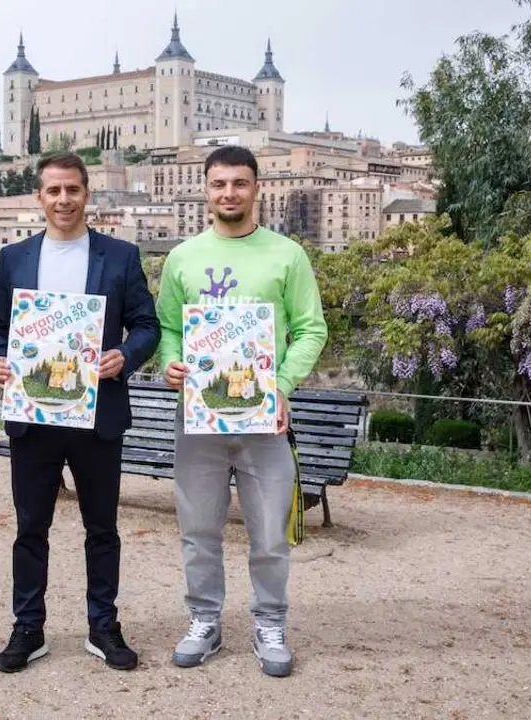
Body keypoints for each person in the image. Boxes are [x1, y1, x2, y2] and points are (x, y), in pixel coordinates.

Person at [0, 152, 161, 673]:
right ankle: (27, 627)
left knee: (101, 528)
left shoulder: (121, 256)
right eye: (53, 191)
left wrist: (126, 356)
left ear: (88, 195)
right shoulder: (14, 258)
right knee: (30, 528)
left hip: (97, 414)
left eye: (72, 190)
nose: (63, 200)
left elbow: (147, 325)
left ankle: (103, 626)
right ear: (39, 197)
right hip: (33, 415)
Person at [154, 144, 327, 677]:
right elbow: (168, 331)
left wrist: (279, 385)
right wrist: (171, 363)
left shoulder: (287, 255)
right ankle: (204, 621)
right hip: (198, 420)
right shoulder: (183, 257)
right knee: (197, 530)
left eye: (239, 183)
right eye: (219, 184)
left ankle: (270, 623)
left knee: (270, 534)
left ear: (257, 188)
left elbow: (311, 329)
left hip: (265, 420)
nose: (229, 193)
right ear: (206, 190)